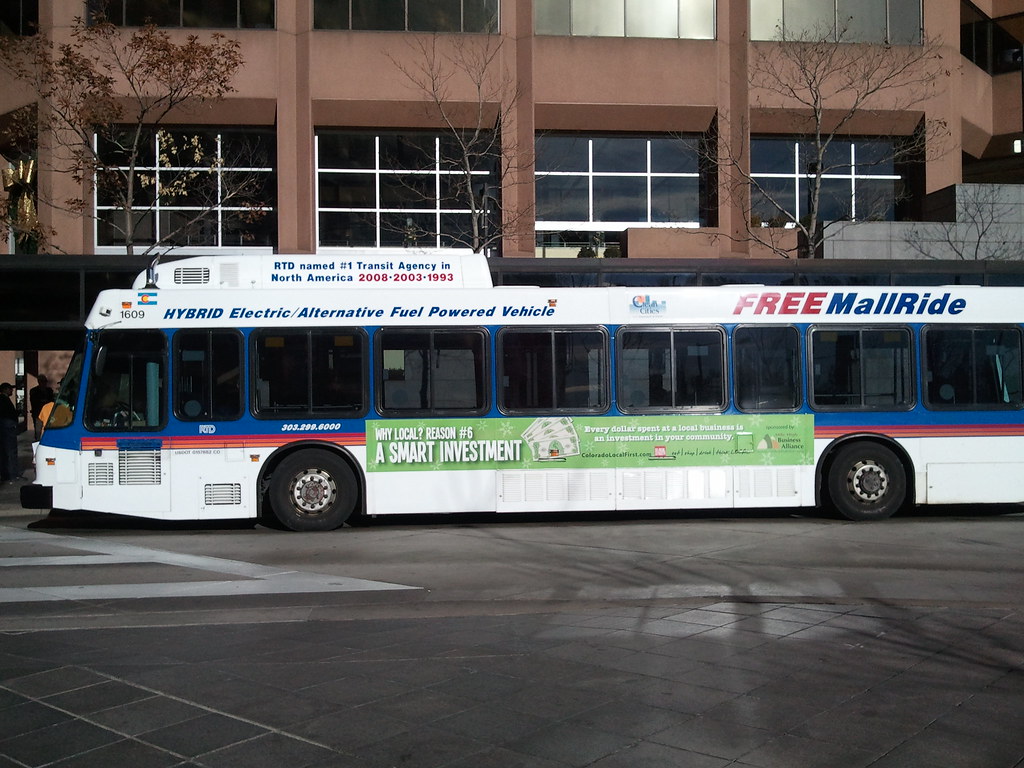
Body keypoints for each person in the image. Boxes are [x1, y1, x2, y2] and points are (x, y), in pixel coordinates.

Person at [0, 382, 22, 483]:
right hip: (8, 428)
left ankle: (7, 474)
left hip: (6, 428)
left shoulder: (4, 400)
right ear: (5, 389)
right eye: (10, 389)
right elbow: (8, 414)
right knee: (10, 451)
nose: (12, 391)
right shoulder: (3, 400)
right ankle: (12, 474)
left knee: (6, 452)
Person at [29, 375, 54, 441]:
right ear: (39, 382)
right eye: (42, 381)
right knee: (38, 431)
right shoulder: (34, 391)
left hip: (49, 413)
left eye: (45, 381)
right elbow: (34, 401)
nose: (44, 383)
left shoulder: (49, 390)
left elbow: (51, 400)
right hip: (38, 414)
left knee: (49, 429)